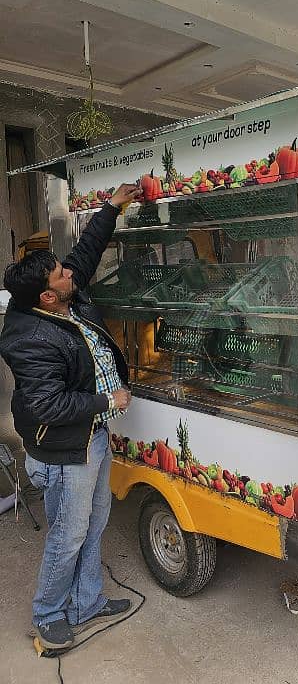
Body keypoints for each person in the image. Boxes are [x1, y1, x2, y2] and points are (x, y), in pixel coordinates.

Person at [0, 182, 142, 650]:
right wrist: (107, 403)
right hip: (66, 449)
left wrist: (110, 209)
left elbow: (83, 255)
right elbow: (46, 405)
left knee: (95, 522)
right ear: (47, 297)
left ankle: (86, 601)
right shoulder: (31, 339)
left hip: (93, 439)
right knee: (68, 534)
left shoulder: (60, 297)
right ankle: (47, 615)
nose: (69, 274)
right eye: (61, 275)